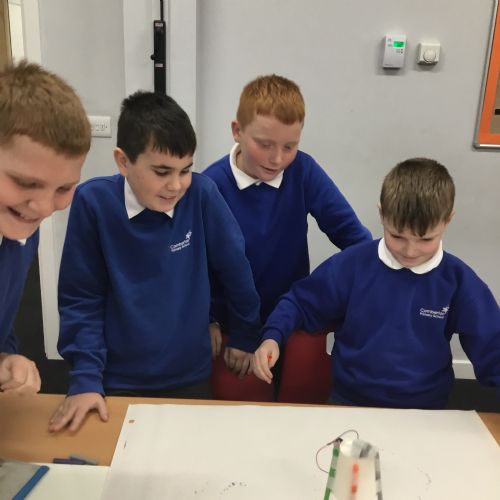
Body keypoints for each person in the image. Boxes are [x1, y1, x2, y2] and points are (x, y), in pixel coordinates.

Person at [48, 91, 261, 432]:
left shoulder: (202, 194)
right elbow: (81, 298)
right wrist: (85, 378)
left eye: (185, 170)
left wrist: (245, 335)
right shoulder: (93, 203)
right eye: (162, 172)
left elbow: (235, 270)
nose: (176, 185)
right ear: (123, 162)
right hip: (114, 378)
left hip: (189, 374)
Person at [253, 158, 500, 409]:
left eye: (425, 239)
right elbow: (300, 302)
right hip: (350, 401)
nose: (410, 251)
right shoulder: (351, 265)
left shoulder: (458, 281)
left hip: (425, 409)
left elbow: (493, 345)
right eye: (397, 236)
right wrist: (272, 336)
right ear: (382, 214)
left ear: (447, 220)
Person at [203, 75, 371, 398]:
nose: (277, 159)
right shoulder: (211, 186)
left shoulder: (303, 171)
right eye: (265, 145)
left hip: (289, 315)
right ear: (237, 131)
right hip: (233, 325)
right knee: (242, 407)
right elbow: (196, 264)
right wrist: (208, 318)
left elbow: (355, 238)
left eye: (289, 147)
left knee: (303, 398)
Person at [0, 61, 90, 396]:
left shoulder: (20, 229)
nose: (43, 206)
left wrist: (6, 359)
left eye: (64, 188)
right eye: (25, 183)